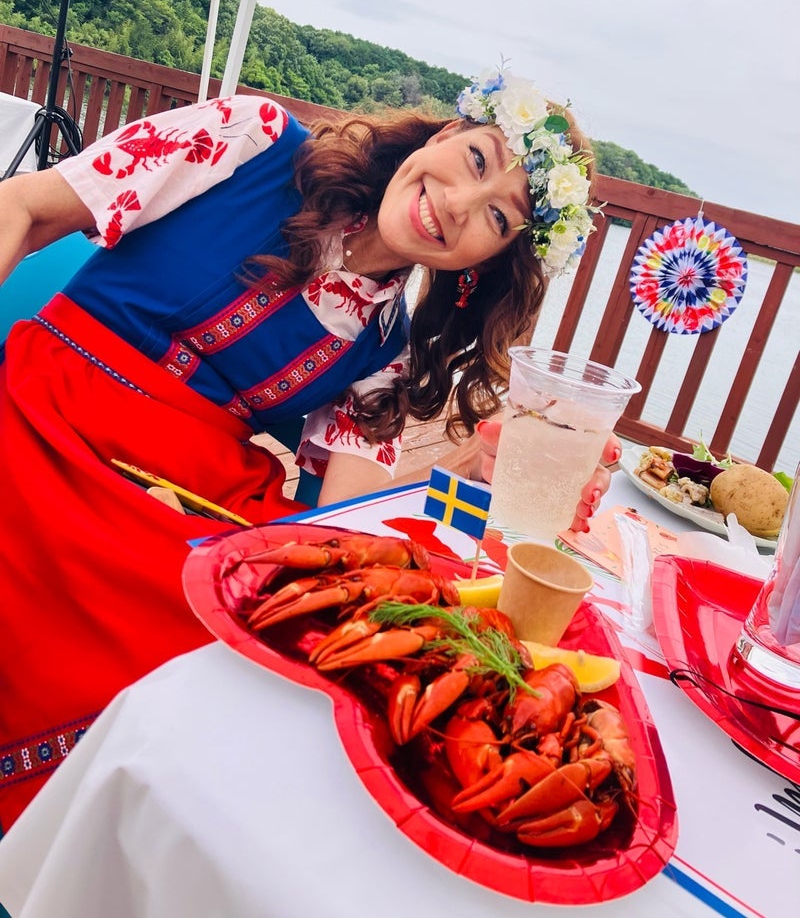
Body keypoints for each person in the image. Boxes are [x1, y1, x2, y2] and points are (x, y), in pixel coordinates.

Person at [0, 65, 619, 830]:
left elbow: (345, 527)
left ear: (490, 261)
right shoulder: (251, 140)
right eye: (476, 159)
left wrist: (480, 471)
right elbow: (23, 207)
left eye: (498, 217)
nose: (459, 204)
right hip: (47, 410)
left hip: (180, 492)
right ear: (446, 132)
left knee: (276, 631)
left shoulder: (385, 346)